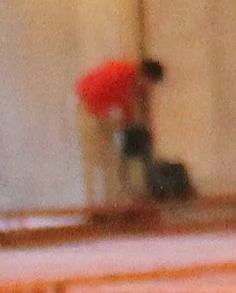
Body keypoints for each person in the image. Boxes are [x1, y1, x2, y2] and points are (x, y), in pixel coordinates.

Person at [75, 52, 179, 205]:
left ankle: (111, 204)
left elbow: (125, 103)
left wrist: (128, 123)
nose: (148, 89)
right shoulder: (120, 74)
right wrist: (102, 118)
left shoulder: (131, 81)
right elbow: (91, 93)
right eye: (149, 83)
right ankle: (93, 206)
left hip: (99, 112)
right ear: (145, 75)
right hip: (88, 109)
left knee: (110, 160)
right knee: (93, 158)